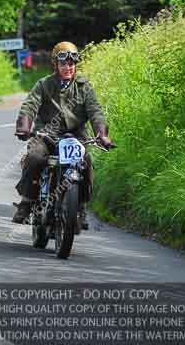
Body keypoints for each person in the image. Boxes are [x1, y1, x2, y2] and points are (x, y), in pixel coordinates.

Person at [12, 41, 116, 226]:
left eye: (71, 64)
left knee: (86, 162)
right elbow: (29, 105)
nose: (68, 68)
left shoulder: (84, 87)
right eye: (63, 64)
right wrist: (24, 126)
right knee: (35, 157)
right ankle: (27, 202)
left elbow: (95, 111)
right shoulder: (44, 85)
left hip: (76, 137)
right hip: (46, 135)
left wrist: (103, 134)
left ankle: (81, 207)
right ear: (56, 65)